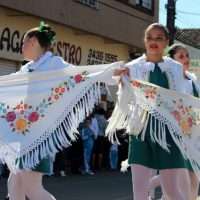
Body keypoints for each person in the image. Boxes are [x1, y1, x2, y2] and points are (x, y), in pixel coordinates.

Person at [114, 23, 191, 200]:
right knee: (140, 192)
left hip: (169, 134)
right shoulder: (133, 67)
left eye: (158, 38)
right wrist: (122, 82)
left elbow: (181, 100)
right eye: (149, 38)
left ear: (166, 42)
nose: (153, 42)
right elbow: (125, 100)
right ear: (144, 41)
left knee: (172, 191)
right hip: (141, 131)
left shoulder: (175, 68)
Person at [7, 22, 71, 200]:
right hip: (24, 135)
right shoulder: (27, 68)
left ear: (33, 41)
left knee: (32, 188)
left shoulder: (54, 64)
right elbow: (8, 86)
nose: (22, 47)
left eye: (24, 42)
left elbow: (81, 75)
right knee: (14, 184)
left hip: (38, 136)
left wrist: (111, 73)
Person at [149, 43, 200, 200]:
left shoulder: (193, 80)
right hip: (176, 137)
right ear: (172, 61)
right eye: (181, 56)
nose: (186, 59)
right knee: (177, 181)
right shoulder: (169, 81)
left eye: (187, 55)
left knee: (194, 181)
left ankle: (151, 186)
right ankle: (148, 185)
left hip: (195, 139)